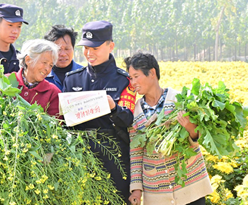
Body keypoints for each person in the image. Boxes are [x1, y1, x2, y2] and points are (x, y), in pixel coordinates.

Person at [124, 52, 213, 205]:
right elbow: (136, 153)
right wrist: (136, 190)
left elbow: (199, 138)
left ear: (152, 73)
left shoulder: (180, 100)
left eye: (136, 76)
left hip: (190, 186)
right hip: (157, 193)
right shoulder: (134, 112)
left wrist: (191, 128)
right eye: (130, 78)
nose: (133, 82)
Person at [63, 21, 136, 203]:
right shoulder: (72, 79)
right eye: (85, 48)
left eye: (94, 48)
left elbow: (130, 119)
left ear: (110, 46)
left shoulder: (124, 81)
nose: (89, 53)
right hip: (82, 158)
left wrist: (114, 108)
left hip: (115, 158)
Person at [11, 39, 61, 117]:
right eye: (44, 63)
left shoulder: (53, 93)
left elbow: (56, 125)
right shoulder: (6, 82)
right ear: (28, 60)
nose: (47, 69)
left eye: (51, 65)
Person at [44, 25, 82, 90]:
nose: (63, 54)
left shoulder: (85, 75)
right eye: (58, 49)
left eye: (67, 49)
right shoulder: (42, 75)